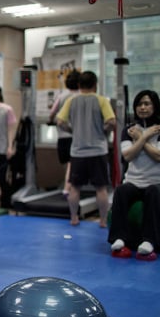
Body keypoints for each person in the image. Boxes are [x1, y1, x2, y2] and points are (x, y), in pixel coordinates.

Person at [108, 90, 160, 258]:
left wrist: (142, 138)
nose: (143, 107)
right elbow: (127, 155)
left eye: (147, 104)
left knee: (153, 191)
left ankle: (149, 241)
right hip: (134, 181)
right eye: (139, 104)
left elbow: (158, 156)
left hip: (159, 182)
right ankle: (119, 238)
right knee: (120, 191)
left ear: (154, 106)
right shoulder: (128, 130)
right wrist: (145, 137)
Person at [56, 71, 116, 227]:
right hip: (98, 151)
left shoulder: (71, 100)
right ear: (95, 85)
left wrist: (72, 130)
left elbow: (60, 121)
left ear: (78, 85)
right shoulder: (101, 100)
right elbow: (112, 121)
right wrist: (102, 130)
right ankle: (103, 221)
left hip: (78, 152)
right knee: (101, 188)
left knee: (75, 188)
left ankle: (74, 218)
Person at [48, 70, 81, 195]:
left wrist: (50, 120)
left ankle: (68, 186)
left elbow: (52, 113)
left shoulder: (61, 96)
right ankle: (67, 189)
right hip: (75, 136)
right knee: (71, 164)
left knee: (69, 164)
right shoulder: (80, 96)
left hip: (62, 137)